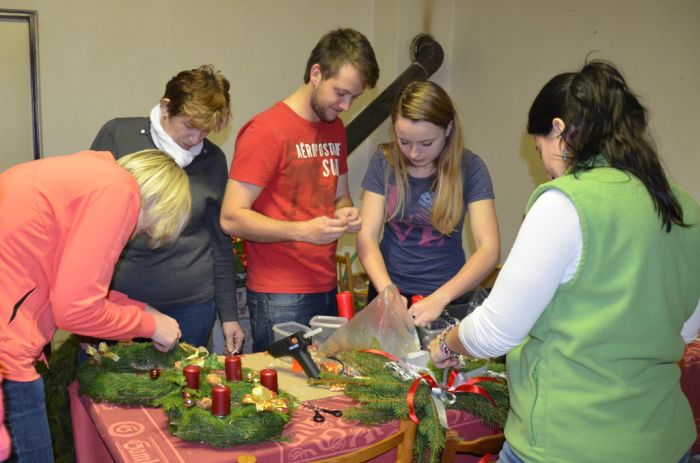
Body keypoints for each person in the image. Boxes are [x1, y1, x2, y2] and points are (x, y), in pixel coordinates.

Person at [429, 60, 700, 463]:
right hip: (663, 439)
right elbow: (686, 327)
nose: (546, 169)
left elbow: (497, 330)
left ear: (558, 131)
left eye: (540, 151)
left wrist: (447, 344)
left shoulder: (564, 203)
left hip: (567, 444)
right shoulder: (681, 204)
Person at [0, 149, 190, 461]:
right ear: (157, 201)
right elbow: (76, 310)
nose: (135, 235)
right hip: (7, 353)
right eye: (145, 229)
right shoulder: (119, 192)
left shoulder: (90, 178)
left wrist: (142, 310)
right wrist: (151, 326)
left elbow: (67, 283)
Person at [220, 28, 379, 352]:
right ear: (316, 74)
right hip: (279, 294)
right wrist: (304, 231)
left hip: (325, 285)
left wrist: (344, 212)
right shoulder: (266, 131)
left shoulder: (334, 127)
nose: (346, 105)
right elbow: (231, 219)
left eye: (354, 97)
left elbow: (340, 195)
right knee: (282, 395)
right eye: (340, 93)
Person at [91, 65, 244, 353]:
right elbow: (89, 222)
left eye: (206, 131)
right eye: (189, 126)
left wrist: (229, 315)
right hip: (117, 304)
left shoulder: (212, 159)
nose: (196, 139)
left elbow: (220, 243)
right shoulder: (118, 136)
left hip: (190, 307)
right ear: (166, 107)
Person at [357, 80, 500, 326]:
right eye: (404, 141)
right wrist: (387, 291)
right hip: (389, 293)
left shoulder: (470, 168)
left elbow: (489, 248)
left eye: (426, 144)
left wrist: (440, 298)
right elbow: (366, 237)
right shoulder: (384, 162)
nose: (414, 153)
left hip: (449, 297)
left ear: (448, 129)